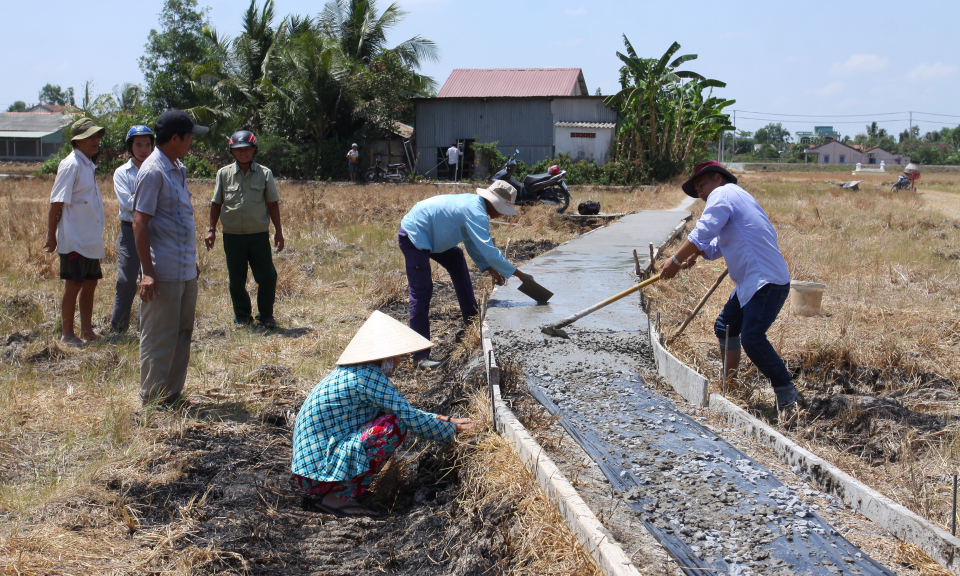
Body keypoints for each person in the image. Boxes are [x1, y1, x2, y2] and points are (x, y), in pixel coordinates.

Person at [291, 310, 476, 518]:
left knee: (393, 420)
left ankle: (341, 490)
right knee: (393, 427)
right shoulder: (368, 377)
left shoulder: (356, 372)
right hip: (318, 476)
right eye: (397, 357)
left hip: (311, 473)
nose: (398, 362)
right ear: (385, 356)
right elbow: (408, 418)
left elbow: (405, 411)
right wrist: (452, 431)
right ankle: (340, 497)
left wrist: (446, 420)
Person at [659, 161, 798, 409]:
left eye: (702, 185)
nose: (700, 193)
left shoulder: (723, 193)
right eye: (698, 189)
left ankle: (786, 389)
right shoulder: (738, 198)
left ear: (718, 178)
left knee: (753, 338)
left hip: (765, 281)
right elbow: (718, 244)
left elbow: (703, 231)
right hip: (752, 281)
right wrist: (698, 253)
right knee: (725, 326)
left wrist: (676, 259)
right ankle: (729, 384)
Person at [398, 180, 533, 369]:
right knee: (422, 292)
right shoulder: (476, 212)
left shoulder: (474, 205)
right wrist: (520, 275)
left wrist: (490, 269)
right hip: (415, 234)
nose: (502, 214)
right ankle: (420, 357)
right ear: (493, 203)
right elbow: (489, 251)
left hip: (431, 234)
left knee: (456, 256)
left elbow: (472, 244)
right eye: (502, 209)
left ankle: (470, 318)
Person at [133, 110, 209, 406]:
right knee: (159, 335)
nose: (192, 141)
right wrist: (147, 273)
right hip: (162, 270)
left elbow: (178, 218)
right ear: (175, 138)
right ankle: (151, 399)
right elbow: (140, 223)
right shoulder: (153, 171)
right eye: (189, 136)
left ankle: (172, 394)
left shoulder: (176, 167)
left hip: (183, 268)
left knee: (182, 332)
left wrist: (191, 259)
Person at [204, 130, 283, 329]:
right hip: (233, 236)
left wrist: (279, 232)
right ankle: (242, 316)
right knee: (236, 278)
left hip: (258, 235)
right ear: (232, 152)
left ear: (254, 150)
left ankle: (266, 315)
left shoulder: (265, 174)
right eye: (238, 150)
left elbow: (273, 203)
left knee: (267, 276)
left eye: (247, 149)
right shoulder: (223, 174)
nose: (243, 153)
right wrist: (211, 229)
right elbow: (216, 203)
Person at [44, 118, 107, 347]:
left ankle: (87, 330)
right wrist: (51, 236)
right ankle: (67, 334)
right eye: (90, 137)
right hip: (75, 239)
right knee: (73, 285)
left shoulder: (87, 164)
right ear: (77, 141)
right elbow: (56, 203)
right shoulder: (71, 164)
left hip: (90, 239)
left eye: (97, 136)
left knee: (90, 283)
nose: (95, 140)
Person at [110, 125, 154, 334]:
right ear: (130, 147)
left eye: (147, 145)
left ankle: (145, 326)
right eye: (138, 145)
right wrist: (153, 202)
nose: (143, 149)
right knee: (126, 280)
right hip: (130, 230)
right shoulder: (122, 172)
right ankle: (118, 329)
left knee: (151, 277)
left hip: (153, 230)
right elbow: (127, 202)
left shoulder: (157, 169)